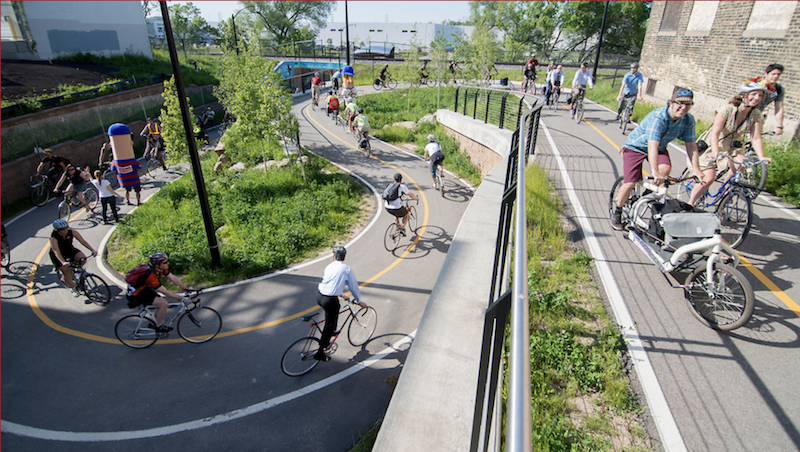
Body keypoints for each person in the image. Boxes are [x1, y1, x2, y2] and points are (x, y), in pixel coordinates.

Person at [610, 89, 702, 230]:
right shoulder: (658, 117)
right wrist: (654, 171)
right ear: (671, 103)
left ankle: (645, 195)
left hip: (659, 147)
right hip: (636, 147)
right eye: (680, 103)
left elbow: (691, 145)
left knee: (665, 169)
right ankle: (617, 210)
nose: (684, 108)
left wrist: (696, 169)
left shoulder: (688, 120)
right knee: (630, 182)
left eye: (688, 105)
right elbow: (652, 144)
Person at [688, 82, 771, 205]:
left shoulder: (756, 115)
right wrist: (715, 151)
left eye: (760, 95)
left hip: (734, 146)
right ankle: (690, 203)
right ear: (743, 95)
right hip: (714, 143)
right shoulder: (727, 110)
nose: (757, 98)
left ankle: (727, 191)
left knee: (740, 164)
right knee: (708, 179)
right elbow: (715, 133)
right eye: (754, 94)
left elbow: (756, 138)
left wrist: (761, 156)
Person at [315, 245, 367, 361]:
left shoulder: (329, 266)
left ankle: (330, 332)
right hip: (329, 300)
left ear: (334, 256)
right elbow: (353, 287)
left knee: (332, 316)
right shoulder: (347, 269)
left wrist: (342, 295)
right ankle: (320, 352)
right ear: (344, 257)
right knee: (330, 324)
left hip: (319, 296)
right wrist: (359, 301)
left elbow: (331, 284)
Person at [126, 252, 194, 334]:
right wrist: (181, 298)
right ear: (157, 265)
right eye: (165, 262)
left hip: (144, 289)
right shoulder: (150, 276)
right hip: (136, 295)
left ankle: (154, 323)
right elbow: (165, 292)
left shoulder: (160, 269)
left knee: (160, 302)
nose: (168, 263)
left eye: (167, 261)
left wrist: (186, 288)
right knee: (163, 303)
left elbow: (172, 278)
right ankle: (159, 326)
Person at [49, 219, 96, 297]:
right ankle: (72, 288)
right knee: (66, 270)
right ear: (57, 230)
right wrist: (63, 262)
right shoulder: (53, 238)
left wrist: (92, 249)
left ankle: (78, 273)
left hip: (69, 250)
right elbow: (56, 251)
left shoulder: (72, 232)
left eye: (66, 228)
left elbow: (83, 241)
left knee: (83, 258)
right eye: (62, 230)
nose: (65, 230)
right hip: (59, 254)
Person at [754, 63, 785, 136]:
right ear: (766, 74)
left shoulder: (778, 89)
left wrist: (779, 126)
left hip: (757, 116)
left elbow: (779, 108)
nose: (776, 76)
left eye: (778, 74)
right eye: (773, 74)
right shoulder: (756, 84)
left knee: (755, 140)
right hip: (744, 113)